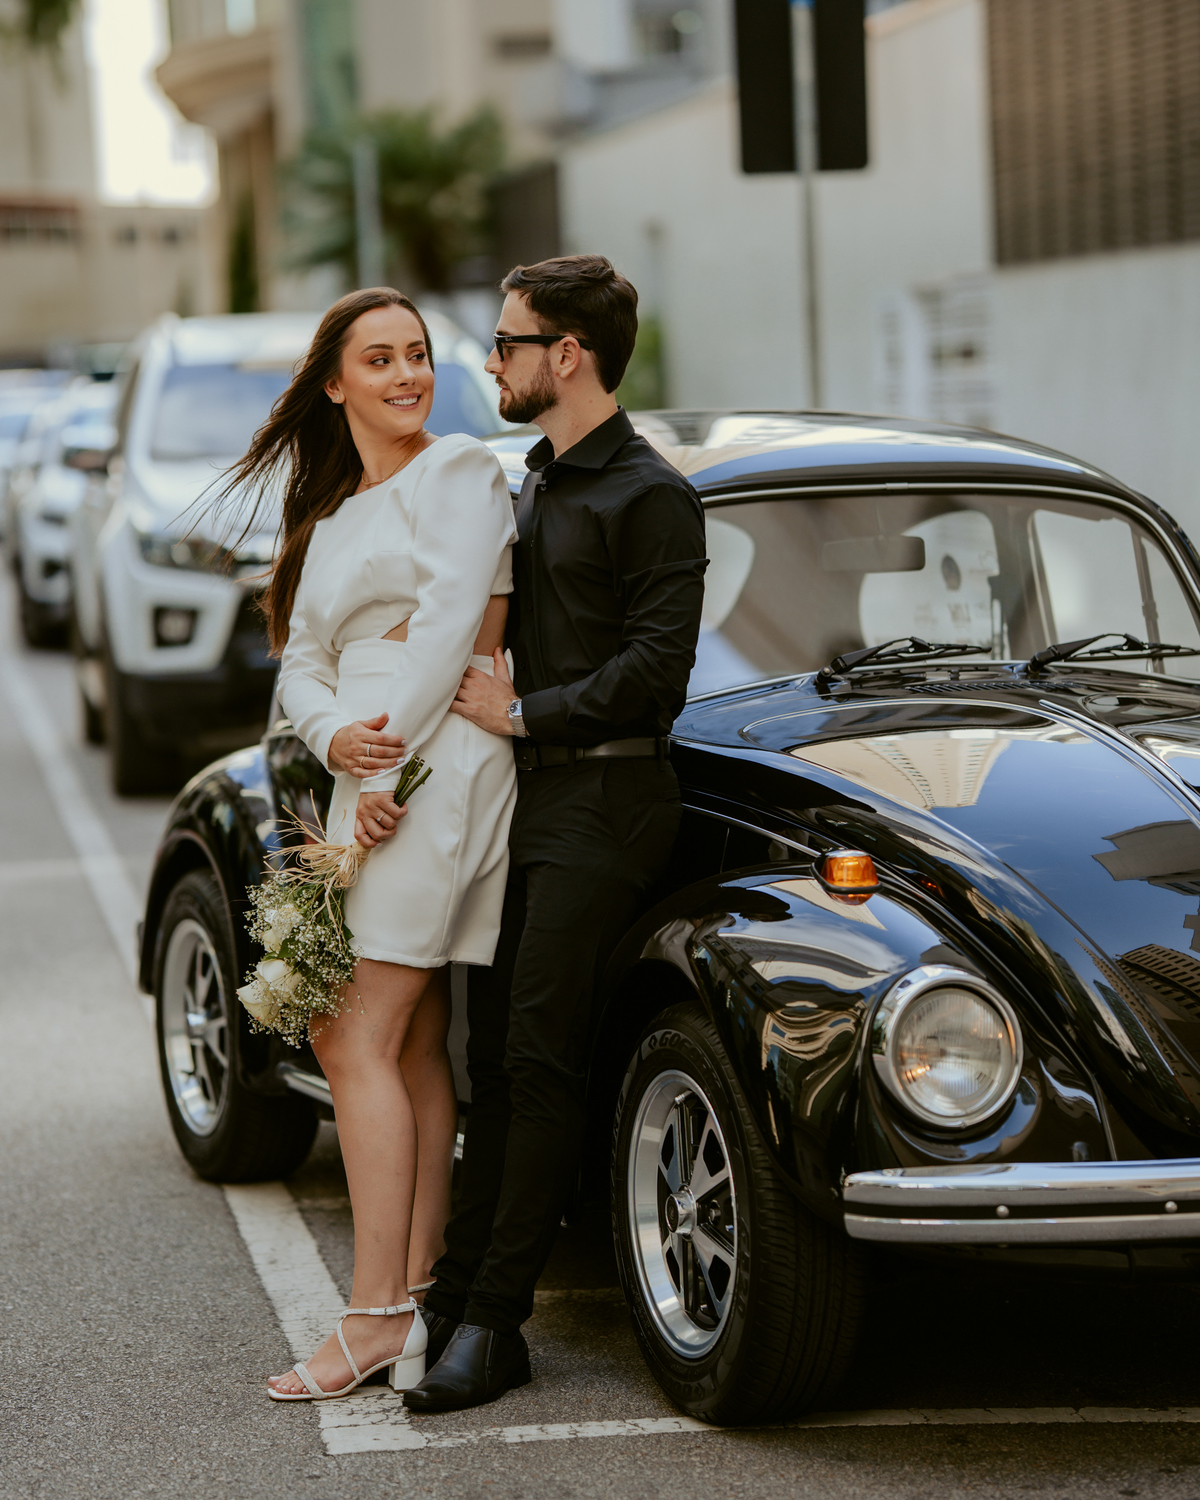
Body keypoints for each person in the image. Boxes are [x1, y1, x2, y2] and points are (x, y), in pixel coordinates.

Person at [402, 255, 708, 1413]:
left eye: (508, 342)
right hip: (526, 805)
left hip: (610, 802)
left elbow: (656, 673)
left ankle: (496, 1322)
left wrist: (525, 711)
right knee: (493, 1057)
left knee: (537, 1056)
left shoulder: (650, 494)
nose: (492, 361)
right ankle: (451, 1298)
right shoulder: (530, 480)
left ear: (566, 356)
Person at [220, 287, 517, 1401]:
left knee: (351, 1032)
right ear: (336, 383)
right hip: (370, 765)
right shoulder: (333, 518)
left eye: (419, 354)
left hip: (437, 766)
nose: (407, 375)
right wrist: (336, 735)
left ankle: (375, 1314)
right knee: (412, 1036)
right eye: (380, 359)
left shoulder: (461, 473)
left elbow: (444, 630)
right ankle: (421, 1289)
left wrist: (387, 768)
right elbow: (301, 659)